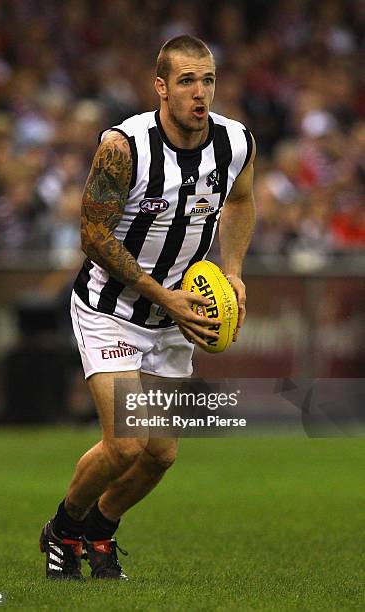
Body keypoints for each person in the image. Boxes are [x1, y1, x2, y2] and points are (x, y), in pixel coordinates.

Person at [40, 35, 256, 580]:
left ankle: (99, 532)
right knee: (125, 445)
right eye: (186, 81)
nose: (200, 93)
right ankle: (62, 530)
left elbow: (242, 200)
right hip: (109, 308)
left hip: (173, 318)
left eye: (207, 80)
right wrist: (164, 295)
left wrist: (232, 272)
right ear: (160, 86)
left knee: (159, 455)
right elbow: (92, 235)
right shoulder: (124, 145)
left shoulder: (235, 143)